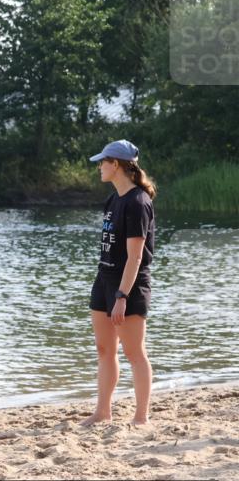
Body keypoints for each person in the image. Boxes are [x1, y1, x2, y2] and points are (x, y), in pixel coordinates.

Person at [82, 139, 156, 427]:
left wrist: (122, 295)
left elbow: (135, 257)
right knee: (104, 349)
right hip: (104, 280)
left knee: (134, 352)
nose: (99, 167)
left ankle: (141, 417)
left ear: (116, 165)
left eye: (103, 162)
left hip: (129, 286)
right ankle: (103, 411)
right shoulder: (113, 200)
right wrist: (109, 290)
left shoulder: (138, 202)